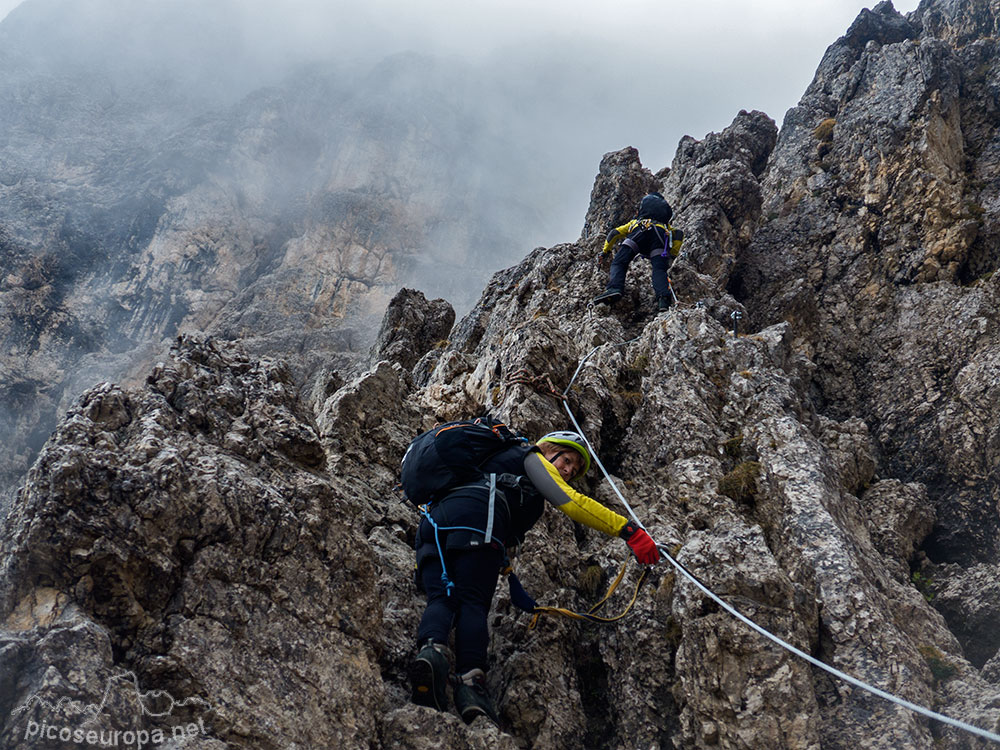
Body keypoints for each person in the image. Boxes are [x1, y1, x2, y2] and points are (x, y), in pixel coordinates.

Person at [409, 429, 660, 726]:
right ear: (548, 448)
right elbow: (570, 500)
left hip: (434, 525)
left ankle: (432, 654)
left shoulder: (489, 465)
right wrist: (628, 531)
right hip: (478, 520)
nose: (568, 471)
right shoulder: (530, 456)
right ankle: (470, 686)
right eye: (566, 460)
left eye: (575, 469)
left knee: (442, 597)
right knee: (473, 603)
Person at [593, 192, 684, 312]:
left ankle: (614, 288)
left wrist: (605, 251)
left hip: (639, 232)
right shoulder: (665, 225)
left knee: (619, 262)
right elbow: (678, 233)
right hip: (659, 236)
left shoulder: (635, 222)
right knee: (659, 269)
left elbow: (613, 233)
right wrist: (672, 254)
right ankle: (663, 300)